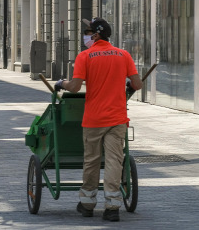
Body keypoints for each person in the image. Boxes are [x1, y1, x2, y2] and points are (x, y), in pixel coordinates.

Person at [53, 18, 142, 222]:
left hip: (94, 119)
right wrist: (127, 84)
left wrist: (61, 83)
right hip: (117, 119)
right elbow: (137, 84)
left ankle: (87, 204)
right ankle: (112, 207)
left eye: (88, 31)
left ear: (96, 35)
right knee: (114, 161)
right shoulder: (123, 55)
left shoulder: (85, 56)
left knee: (92, 161)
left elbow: (75, 87)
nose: (85, 35)